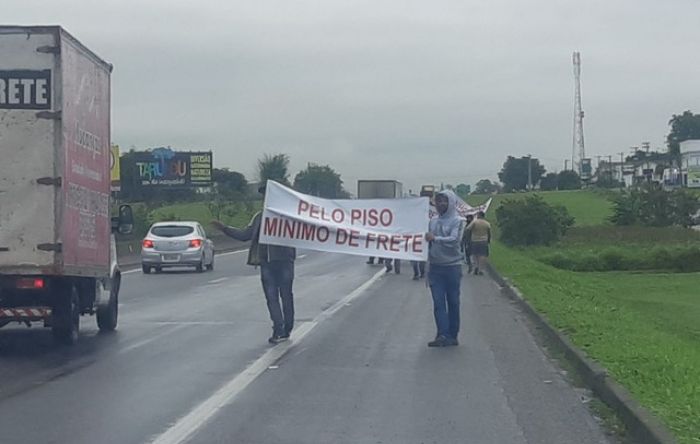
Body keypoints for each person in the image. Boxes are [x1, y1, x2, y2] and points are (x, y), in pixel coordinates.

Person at [211, 184, 296, 344]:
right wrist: (225, 229)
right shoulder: (260, 218)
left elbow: (309, 232)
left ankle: (286, 329)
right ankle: (279, 329)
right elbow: (245, 235)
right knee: (272, 297)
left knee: (285, 296)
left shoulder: (289, 217)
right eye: (264, 196)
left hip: (284, 261)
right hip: (267, 263)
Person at [425, 190, 464, 347]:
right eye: (438, 201)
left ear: (451, 203)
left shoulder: (457, 221)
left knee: (453, 301)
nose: (441, 204)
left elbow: (454, 240)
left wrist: (436, 238)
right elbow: (427, 242)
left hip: (453, 267)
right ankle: (442, 334)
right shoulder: (432, 221)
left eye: (444, 201)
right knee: (438, 302)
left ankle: (453, 335)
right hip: (435, 268)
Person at [466, 211, 491, 276]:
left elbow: (468, 229)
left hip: (474, 240)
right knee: (482, 255)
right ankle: (481, 269)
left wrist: (468, 238)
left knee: (475, 254)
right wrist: (488, 240)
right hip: (484, 240)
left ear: (479, 215)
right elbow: (489, 232)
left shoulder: (474, 222)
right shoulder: (487, 223)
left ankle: (476, 266)